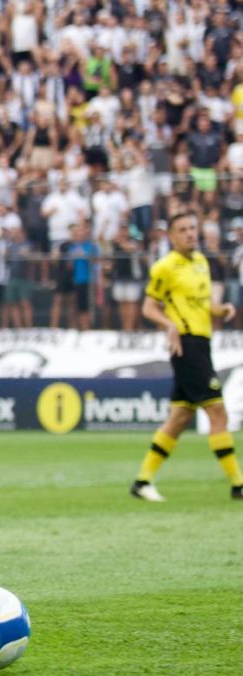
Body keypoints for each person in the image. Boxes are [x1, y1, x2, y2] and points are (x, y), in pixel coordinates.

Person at [131, 213, 242, 503]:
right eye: (182, 230)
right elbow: (148, 307)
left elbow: (201, 305)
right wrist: (168, 324)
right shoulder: (164, 267)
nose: (190, 234)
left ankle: (142, 482)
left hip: (202, 344)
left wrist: (221, 310)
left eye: (193, 228)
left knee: (179, 419)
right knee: (218, 412)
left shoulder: (201, 262)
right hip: (186, 346)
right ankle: (238, 484)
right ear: (171, 236)